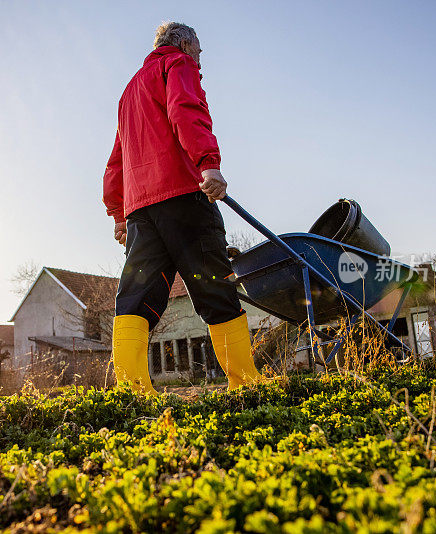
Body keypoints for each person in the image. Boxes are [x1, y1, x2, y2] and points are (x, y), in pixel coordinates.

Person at [103, 22, 262, 395]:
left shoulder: (129, 91)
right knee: (215, 286)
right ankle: (246, 384)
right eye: (200, 51)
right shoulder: (177, 64)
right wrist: (208, 163)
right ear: (184, 43)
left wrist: (118, 213)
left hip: (141, 210)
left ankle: (131, 392)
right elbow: (185, 109)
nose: (201, 60)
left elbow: (117, 158)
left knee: (134, 297)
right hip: (183, 196)